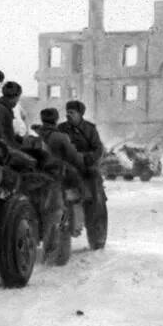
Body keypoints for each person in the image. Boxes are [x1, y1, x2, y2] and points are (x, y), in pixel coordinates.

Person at [57, 100, 108, 249]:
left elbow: (98, 149)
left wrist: (86, 159)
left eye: (72, 112)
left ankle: (97, 238)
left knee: (96, 201)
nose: (68, 115)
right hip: (68, 169)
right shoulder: (61, 128)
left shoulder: (90, 129)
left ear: (80, 114)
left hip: (87, 170)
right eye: (67, 112)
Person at [33, 108, 87, 237]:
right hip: (56, 172)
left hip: (36, 171)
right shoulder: (60, 137)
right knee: (79, 187)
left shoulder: (35, 134)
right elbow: (73, 156)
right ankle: (76, 224)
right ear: (56, 119)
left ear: (42, 119)